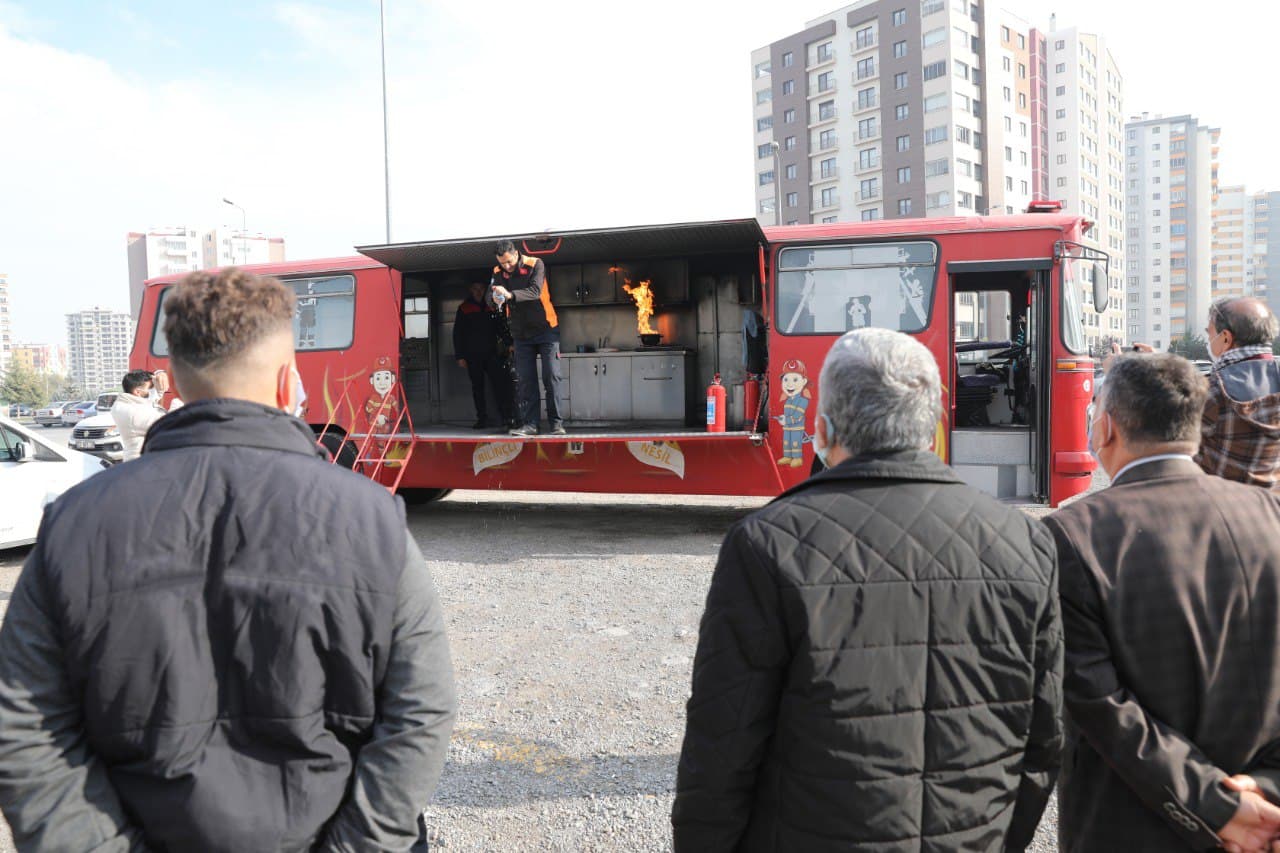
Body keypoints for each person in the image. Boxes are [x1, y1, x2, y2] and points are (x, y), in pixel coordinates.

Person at [0, 268, 456, 851]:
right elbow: (420, 713)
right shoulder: (372, 521)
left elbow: (29, 727)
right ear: (291, 382)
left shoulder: (74, 524)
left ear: (174, 381)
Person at [672, 327, 1063, 852]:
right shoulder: (1026, 543)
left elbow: (722, 745)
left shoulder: (768, 545)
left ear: (824, 428)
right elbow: (1042, 740)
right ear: (933, 428)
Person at [1044, 353, 1280, 853]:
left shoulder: (1070, 536)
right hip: (1262, 821)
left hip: (1125, 825)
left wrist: (1215, 805)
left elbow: (1099, 704)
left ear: (1106, 428)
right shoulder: (1270, 514)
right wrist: (1263, 787)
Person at [1194, 296, 1280, 489]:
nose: (1209, 340)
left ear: (1225, 338)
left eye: (1210, 334)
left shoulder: (1209, 390)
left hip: (1225, 510)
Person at [490, 239, 565, 437]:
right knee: (526, 380)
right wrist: (495, 298)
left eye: (508, 262)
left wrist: (509, 294)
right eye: (501, 263)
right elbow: (493, 296)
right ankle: (530, 425)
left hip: (547, 329)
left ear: (516, 254)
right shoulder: (497, 272)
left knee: (551, 376)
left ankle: (556, 424)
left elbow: (535, 291)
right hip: (521, 334)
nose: (506, 266)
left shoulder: (535, 264)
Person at [454, 281, 514, 430]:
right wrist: (460, 356)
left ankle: (506, 418)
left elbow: (501, 327)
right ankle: (482, 419)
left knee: (500, 386)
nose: (478, 292)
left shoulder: (491, 306)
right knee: (477, 388)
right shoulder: (464, 308)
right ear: (471, 290)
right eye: (475, 289)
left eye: (481, 289)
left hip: (492, 353)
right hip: (472, 356)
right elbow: (458, 334)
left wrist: (509, 343)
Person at [109, 368, 167, 460]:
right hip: (141, 462)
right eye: (151, 388)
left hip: (146, 459)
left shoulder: (131, 403)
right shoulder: (131, 412)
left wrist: (160, 373)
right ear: (137, 392)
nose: (153, 390)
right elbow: (165, 424)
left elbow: (152, 402)